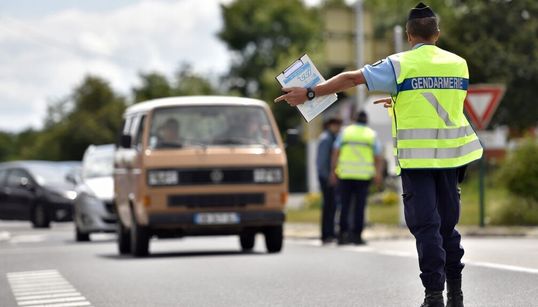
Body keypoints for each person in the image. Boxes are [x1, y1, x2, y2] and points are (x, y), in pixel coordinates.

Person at [274, 3, 482, 307]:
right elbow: (439, 99)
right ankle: (456, 295)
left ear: (410, 36)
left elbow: (350, 79)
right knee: (447, 228)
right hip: (452, 160)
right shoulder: (458, 64)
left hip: (418, 161)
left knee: (427, 227)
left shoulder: (399, 65)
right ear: (437, 33)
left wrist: (308, 93)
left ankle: (434, 296)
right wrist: (400, 99)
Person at [331, 111, 383, 245]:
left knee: (344, 206)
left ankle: (342, 235)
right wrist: (378, 174)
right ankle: (357, 236)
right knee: (360, 207)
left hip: (345, 174)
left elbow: (336, 151)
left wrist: (333, 171)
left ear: (355, 120)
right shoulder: (371, 134)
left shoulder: (346, 132)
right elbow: (378, 157)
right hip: (363, 176)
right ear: (366, 120)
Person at [316, 116, 342, 244]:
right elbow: (322, 161)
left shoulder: (331, 137)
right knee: (328, 206)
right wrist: (328, 177)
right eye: (336, 125)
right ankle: (326, 234)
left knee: (332, 206)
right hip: (326, 177)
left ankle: (330, 232)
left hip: (328, 176)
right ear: (330, 125)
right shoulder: (326, 139)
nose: (338, 128)